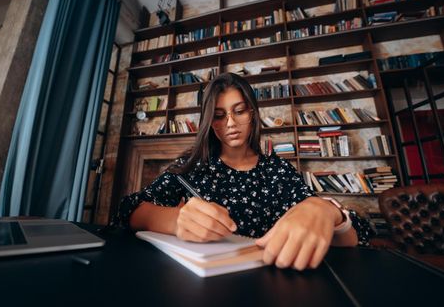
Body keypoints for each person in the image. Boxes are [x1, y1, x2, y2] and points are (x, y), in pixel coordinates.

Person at [118, 73, 372, 270]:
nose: (230, 123)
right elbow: (128, 210)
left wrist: (325, 210)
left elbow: (358, 235)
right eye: (218, 116)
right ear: (209, 124)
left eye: (239, 111)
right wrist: (176, 219)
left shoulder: (277, 171)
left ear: (252, 113)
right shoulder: (193, 168)